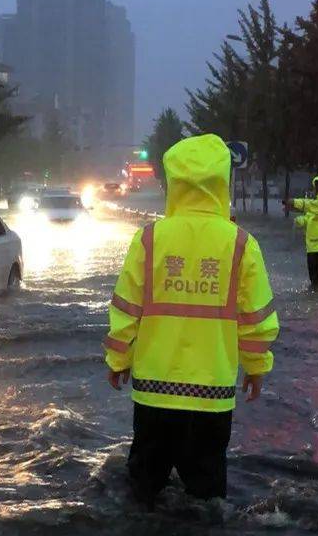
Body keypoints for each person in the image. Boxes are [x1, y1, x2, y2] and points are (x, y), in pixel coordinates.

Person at [103, 134, 279, 510]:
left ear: (173, 182)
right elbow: (256, 321)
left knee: (143, 495)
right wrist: (256, 367)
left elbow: (125, 310)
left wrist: (118, 361)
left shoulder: (149, 240)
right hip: (211, 398)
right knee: (207, 499)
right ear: (221, 182)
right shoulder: (240, 244)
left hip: (153, 393)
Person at [288, 173, 318, 290]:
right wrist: (300, 220)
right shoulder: (316, 202)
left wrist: (296, 202)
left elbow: (313, 207)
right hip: (311, 245)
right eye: (317, 185)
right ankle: (315, 296)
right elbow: (310, 217)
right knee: (313, 276)